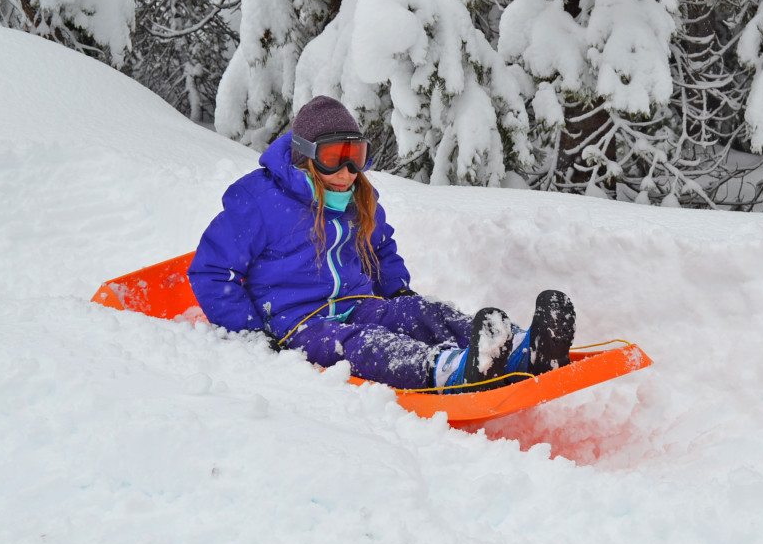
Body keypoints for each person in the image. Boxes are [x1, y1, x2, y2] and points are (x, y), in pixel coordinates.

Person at [188, 95, 576, 392]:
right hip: (301, 323)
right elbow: (212, 271)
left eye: (355, 156)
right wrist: (253, 334)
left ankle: (525, 347)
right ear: (305, 156)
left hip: (360, 304)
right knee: (365, 345)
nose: (347, 171)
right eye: (333, 158)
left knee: (425, 313)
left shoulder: (359, 199)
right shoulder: (259, 201)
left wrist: (397, 292)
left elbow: (381, 250)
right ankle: (447, 369)